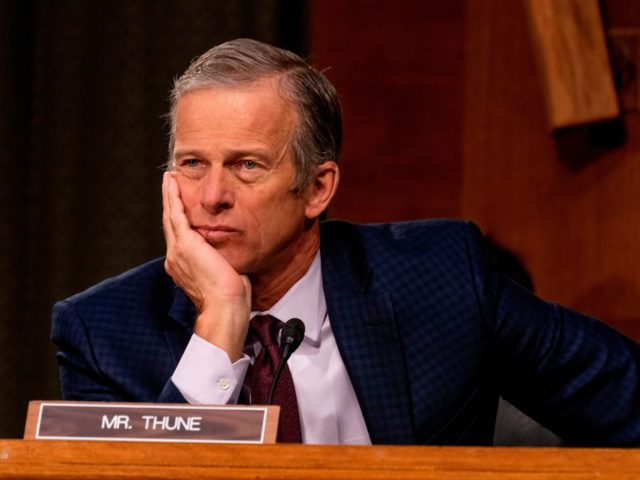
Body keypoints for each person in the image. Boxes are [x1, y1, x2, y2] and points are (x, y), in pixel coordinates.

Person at [52, 38, 640, 446]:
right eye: (192, 164)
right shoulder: (104, 332)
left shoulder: (442, 280)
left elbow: (624, 397)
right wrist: (221, 325)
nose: (210, 196)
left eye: (247, 166)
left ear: (318, 188)